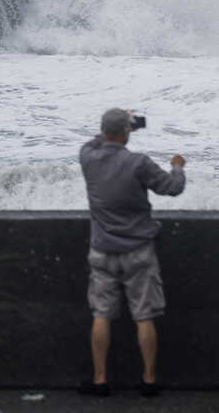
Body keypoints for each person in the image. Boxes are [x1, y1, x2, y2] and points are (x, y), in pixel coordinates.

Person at [77, 108, 186, 398]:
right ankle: (149, 380)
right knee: (144, 316)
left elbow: (97, 140)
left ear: (103, 131)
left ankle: (100, 380)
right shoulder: (138, 163)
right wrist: (177, 166)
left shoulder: (87, 157)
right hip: (139, 251)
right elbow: (173, 188)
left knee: (101, 314)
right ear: (127, 133)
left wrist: (118, 127)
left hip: (101, 249)